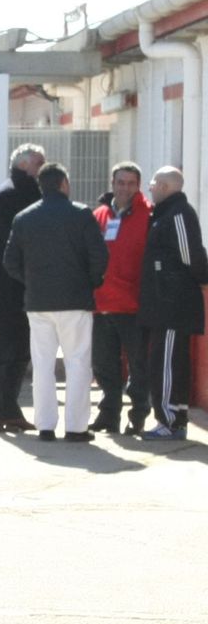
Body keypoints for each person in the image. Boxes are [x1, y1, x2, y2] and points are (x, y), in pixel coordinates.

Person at [2, 162, 108, 441]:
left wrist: (32, 281)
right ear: (64, 184)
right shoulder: (82, 214)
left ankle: (45, 426)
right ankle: (76, 428)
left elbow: (10, 261)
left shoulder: (24, 218)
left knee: (42, 364)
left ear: (41, 186)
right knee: (77, 363)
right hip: (75, 301)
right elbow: (99, 256)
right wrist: (92, 281)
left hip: (38, 302)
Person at [137, 166, 208, 440]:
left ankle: (167, 420)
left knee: (164, 362)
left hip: (171, 305)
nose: (150, 188)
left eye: (153, 184)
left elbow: (191, 256)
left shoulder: (178, 214)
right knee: (173, 361)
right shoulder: (164, 214)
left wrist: (200, 278)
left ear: (165, 187)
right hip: (165, 303)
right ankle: (175, 417)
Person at [0, 144, 45, 432]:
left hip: (22, 285)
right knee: (2, 350)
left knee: (20, 351)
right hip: (7, 287)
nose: (42, 171)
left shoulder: (22, 192)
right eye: (39, 165)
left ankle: (9, 409)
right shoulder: (12, 194)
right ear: (24, 165)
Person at [89, 162, 152, 435]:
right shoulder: (99, 215)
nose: (125, 188)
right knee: (104, 365)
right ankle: (108, 415)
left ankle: (137, 415)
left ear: (138, 186)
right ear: (112, 183)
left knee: (138, 366)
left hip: (134, 305)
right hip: (101, 304)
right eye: (120, 182)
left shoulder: (150, 214)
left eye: (131, 183)